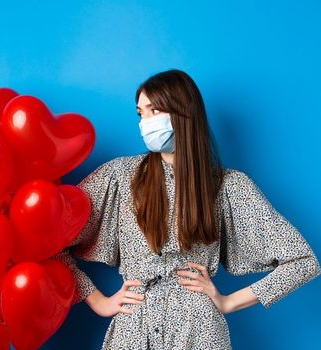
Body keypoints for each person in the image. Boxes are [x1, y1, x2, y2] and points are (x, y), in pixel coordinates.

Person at [51, 69, 321, 349]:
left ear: (183, 113)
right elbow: (49, 240)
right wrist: (98, 301)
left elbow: (303, 262)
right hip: (133, 329)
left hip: (199, 331)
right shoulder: (119, 177)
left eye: (154, 111)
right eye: (140, 113)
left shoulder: (228, 186)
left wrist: (228, 302)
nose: (145, 123)